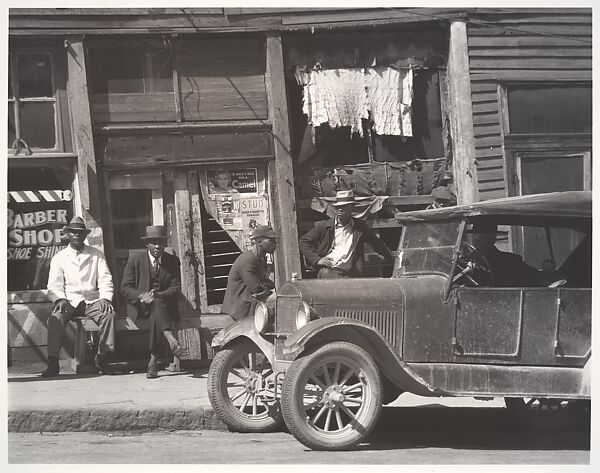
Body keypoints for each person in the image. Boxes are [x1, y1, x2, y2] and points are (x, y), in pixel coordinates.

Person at [42, 216, 116, 377]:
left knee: (109, 314)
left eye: (80, 233)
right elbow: (53, 285)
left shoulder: (96, 255)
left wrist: (105, 298)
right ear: (68, 234)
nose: (77, 235)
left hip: (92, 300)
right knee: (55, 318)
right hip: (69, 300)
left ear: (85, 235)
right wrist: (59, 299)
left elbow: (105, 279)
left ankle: (103, 358)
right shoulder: (59, 258)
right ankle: (53, 362)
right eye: (73, 232)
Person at [120, 225, 186, 379]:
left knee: (156, 307)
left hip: (163, 306)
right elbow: (125, 288)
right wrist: (142, 296)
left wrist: (159, 294)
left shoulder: (172, 261)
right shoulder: (135, 260)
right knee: (155, 306)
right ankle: (171, 340)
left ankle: (153, 359)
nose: (158, 246)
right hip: (140, 306)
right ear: (147, 245)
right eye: (154, 242)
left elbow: (176, 288)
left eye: (161, 243)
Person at [300, 190, 394, 279]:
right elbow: (303, 242)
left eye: (344, 206)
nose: (340, 209)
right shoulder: (325, 226)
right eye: (338, 206)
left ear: (352, 208)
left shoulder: (359, 227)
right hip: (330, 271)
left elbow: (377, 244)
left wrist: (394, 259)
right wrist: (317, 259)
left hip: (350, 273)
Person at [222, 225, 277, 321]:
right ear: (259, 242)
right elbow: (257, 289)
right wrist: (268, 286)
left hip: (250, 305)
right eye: (271, 240)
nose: (275, 244)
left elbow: (264, 283)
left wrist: (267, 284)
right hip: (239, 311)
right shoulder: (248, 259)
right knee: (280, 300)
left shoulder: (260, 258)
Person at [463, 222, 541, 287]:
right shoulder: (463, 263)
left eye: (481, 235)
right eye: (475, 235)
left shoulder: (512, 261)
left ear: (493, 237)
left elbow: (534, 278)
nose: (474, 238)